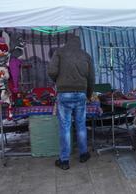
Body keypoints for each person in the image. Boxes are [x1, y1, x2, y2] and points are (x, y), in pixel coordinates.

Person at [47, 35, 95, 170]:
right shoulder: (85, 55)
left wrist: (58, 81)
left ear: (67, 42)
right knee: (81, 125)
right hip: (81, 94)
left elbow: (51, 71)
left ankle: (64, 161)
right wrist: (89, 94)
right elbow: (91, 78)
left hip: (64, 94)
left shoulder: (59, 52)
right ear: (79, 43)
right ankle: (84, 154)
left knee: (65, 127)